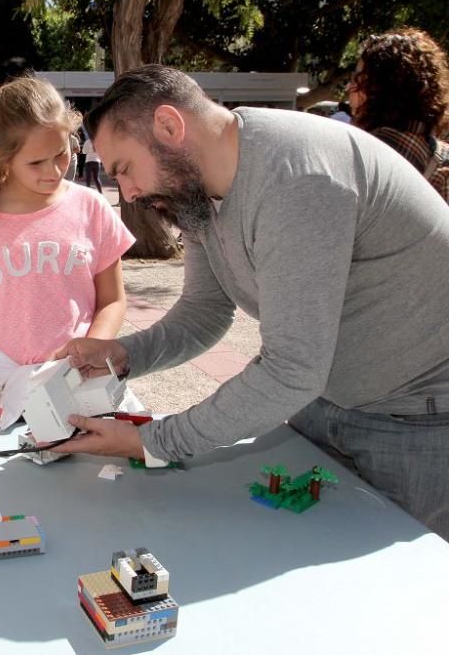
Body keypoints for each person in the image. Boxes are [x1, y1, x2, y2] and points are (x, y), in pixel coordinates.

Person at [56, 64, 449, 540]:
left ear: (169, 126)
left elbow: (292, 368)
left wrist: (150, 442)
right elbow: (205, 312)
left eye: (125, 169)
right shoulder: (197, 193)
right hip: (324, 401)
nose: (131, 192)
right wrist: (124, 355)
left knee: (398, 596)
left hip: (418, 419)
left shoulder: (295, 176)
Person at [0, 77, 135, 420]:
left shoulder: (92, 207)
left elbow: (113, 299)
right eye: (36, 163)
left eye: (61, 154)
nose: (54, 170)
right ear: (0, 156)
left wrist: (93, 347)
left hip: (77, 377)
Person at [348, 28, 449, 201]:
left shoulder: (357, 153)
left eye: (357, 78)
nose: (349, 88)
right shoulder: (443, 161)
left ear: (375, 88)